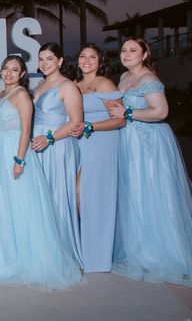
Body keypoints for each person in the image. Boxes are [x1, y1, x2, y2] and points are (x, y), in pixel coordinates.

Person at [107, 38, 192, 288]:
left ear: (144, 54)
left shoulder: (149, 79)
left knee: (154, 192)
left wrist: (128, 113)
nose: (126, 54)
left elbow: (161, 112)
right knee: (134, 194)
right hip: (130, 140)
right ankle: (138, 248)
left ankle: (160, 251)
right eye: (124, 50)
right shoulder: (125, 79)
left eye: (132, 50)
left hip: (150, 142)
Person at [0, 55, 84, 291]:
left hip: (15, 153)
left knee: (20, 205)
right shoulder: (3, 95)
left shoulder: (22, 95)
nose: (8, 73)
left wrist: (19, 160)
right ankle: (6, 250)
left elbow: (26, 130)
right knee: (3, 205)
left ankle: (23, 256)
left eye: (14, 70)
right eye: (5, 69)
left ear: (22, 74)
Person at [30, 42, 83, 268]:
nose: (44, 63)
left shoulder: (68, 86)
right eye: (41, 59)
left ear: (60, 61)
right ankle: (44, 250)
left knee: (57, 196)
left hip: (58, 146)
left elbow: (76, 122)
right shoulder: (39, 85)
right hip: (38, 146)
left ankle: (62, 253)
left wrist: (49, 138)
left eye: (49, 58)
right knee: (42, 199)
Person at [74, 43, 124, 273]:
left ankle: (96, 256)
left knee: (85, 194)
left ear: (100, 61)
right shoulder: (76, 85)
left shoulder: (104, 83)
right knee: (79, 196)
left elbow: (119, 120)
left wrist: (91, 126)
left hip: (101, 141)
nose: (86, 60)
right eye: (83, 56)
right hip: (79, 144)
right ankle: (84, 250)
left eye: (92, 57)